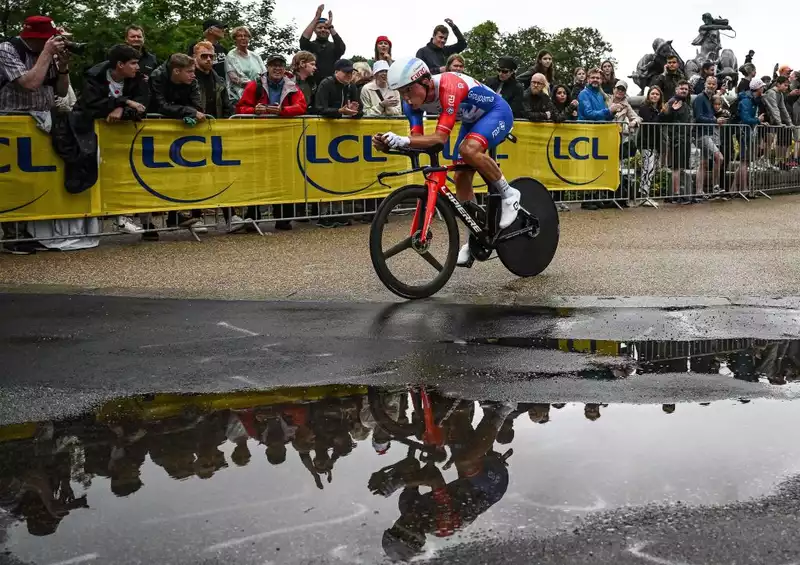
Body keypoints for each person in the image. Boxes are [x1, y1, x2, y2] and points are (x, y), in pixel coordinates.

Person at [373, 57, 520, 269]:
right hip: (472, 122)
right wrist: (389, 144)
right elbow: (419, 142)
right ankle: (475, 238)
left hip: (498, 113)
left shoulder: (449, 86)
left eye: (408, 90)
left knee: (468, 150)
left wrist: (402, 139)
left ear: (424, 81)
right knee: (460, 176)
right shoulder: (411, 105)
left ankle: (509, 194)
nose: (405, 98)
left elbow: (440, 139)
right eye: (400, 92)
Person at [75, 44, 149, 235]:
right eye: (133, 63)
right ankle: (89, 222)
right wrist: (122, 101)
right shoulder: (94, 77)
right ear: (119, 65)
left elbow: (142, 106)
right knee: (94, 174)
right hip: (89, 134)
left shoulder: (138, 79)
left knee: (126, 176)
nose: (137, 67)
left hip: (123, 136)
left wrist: (122, 109)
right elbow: (90, 106)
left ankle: (128, 218)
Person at [660, 80, 693, 203]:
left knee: (681, 168)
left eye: (686, 89)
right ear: (676, 90)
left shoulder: (685, 103)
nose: (684, 90)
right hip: (676, 139)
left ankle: (678, 193)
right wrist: (673, 110)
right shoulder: (672, 101)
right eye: (681, 88)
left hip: (684, 139)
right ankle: (675, 194)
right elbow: (663, 117)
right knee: (676, 168)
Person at [693, 75, 724, 197]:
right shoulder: (700, 98)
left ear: (716, 86)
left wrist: (716, 119)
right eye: (709, 83)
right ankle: (715, 186)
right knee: (719, 158)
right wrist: (715, 121)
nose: (711, 86)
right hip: (702, 134)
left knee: (704, 163)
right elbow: (699, 117)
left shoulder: (710, 99)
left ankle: (699, 191)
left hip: (707, 134)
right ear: (705, 84)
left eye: (713, 84)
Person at [299, 4, 345, 84]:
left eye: (326, 28)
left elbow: (341, 47)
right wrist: (316, 18)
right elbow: (303, 40)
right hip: (312, 85)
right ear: (314, 30)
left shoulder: (334, 46)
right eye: (320, 27)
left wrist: (330, 26)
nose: (323, 30)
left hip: (331, 85)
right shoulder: (310, 46)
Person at [637, 86, 665, 203]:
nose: (654, 96)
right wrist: (662, 114)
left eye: (657, 94)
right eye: (652, 94)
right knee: (647, 168)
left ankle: (645, 193)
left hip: (655, 143)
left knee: (651, 169)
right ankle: (644, 195)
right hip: (646, 142)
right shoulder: (644, 107)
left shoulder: (659, 108)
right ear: (648, 95)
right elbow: (652, 122)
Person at [224, 26, 265, 103]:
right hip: (239, 96)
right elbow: (234, 79)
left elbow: (264, 73)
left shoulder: (255, 56)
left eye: (245, 36)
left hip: (258, 94)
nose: (243, 38)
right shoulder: (231, 56)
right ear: (235, 39)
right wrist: (254, 86)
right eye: (240, 36)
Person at [194, 41, 232, 119]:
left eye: (212, 56)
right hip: (193, 125)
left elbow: (227, 107)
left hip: (216, 126)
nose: (208, 59)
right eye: (204, 56)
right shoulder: (188, 79)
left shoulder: (220, 81)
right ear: (195, 56)